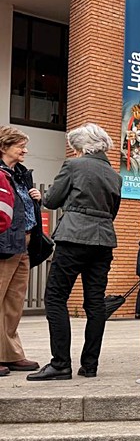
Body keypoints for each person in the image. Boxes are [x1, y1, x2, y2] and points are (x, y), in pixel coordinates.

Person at [28, 123, 121, 381]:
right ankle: (90, 365)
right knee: (95, 303)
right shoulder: (115, 175)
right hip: (103, 240)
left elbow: (52, 200)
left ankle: (60, 364)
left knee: (55, 298)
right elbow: (112, 211)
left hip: (73, 237)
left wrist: (42, 197)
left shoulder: (73, 165)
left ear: (82, 147)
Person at [0, 126, 40, 376]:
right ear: (4, 147)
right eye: (20, 146)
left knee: (14, 303)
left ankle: (10, 354)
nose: (25, 151)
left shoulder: (21, 175)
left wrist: (36, 198)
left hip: (23, 244)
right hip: (4, 244)